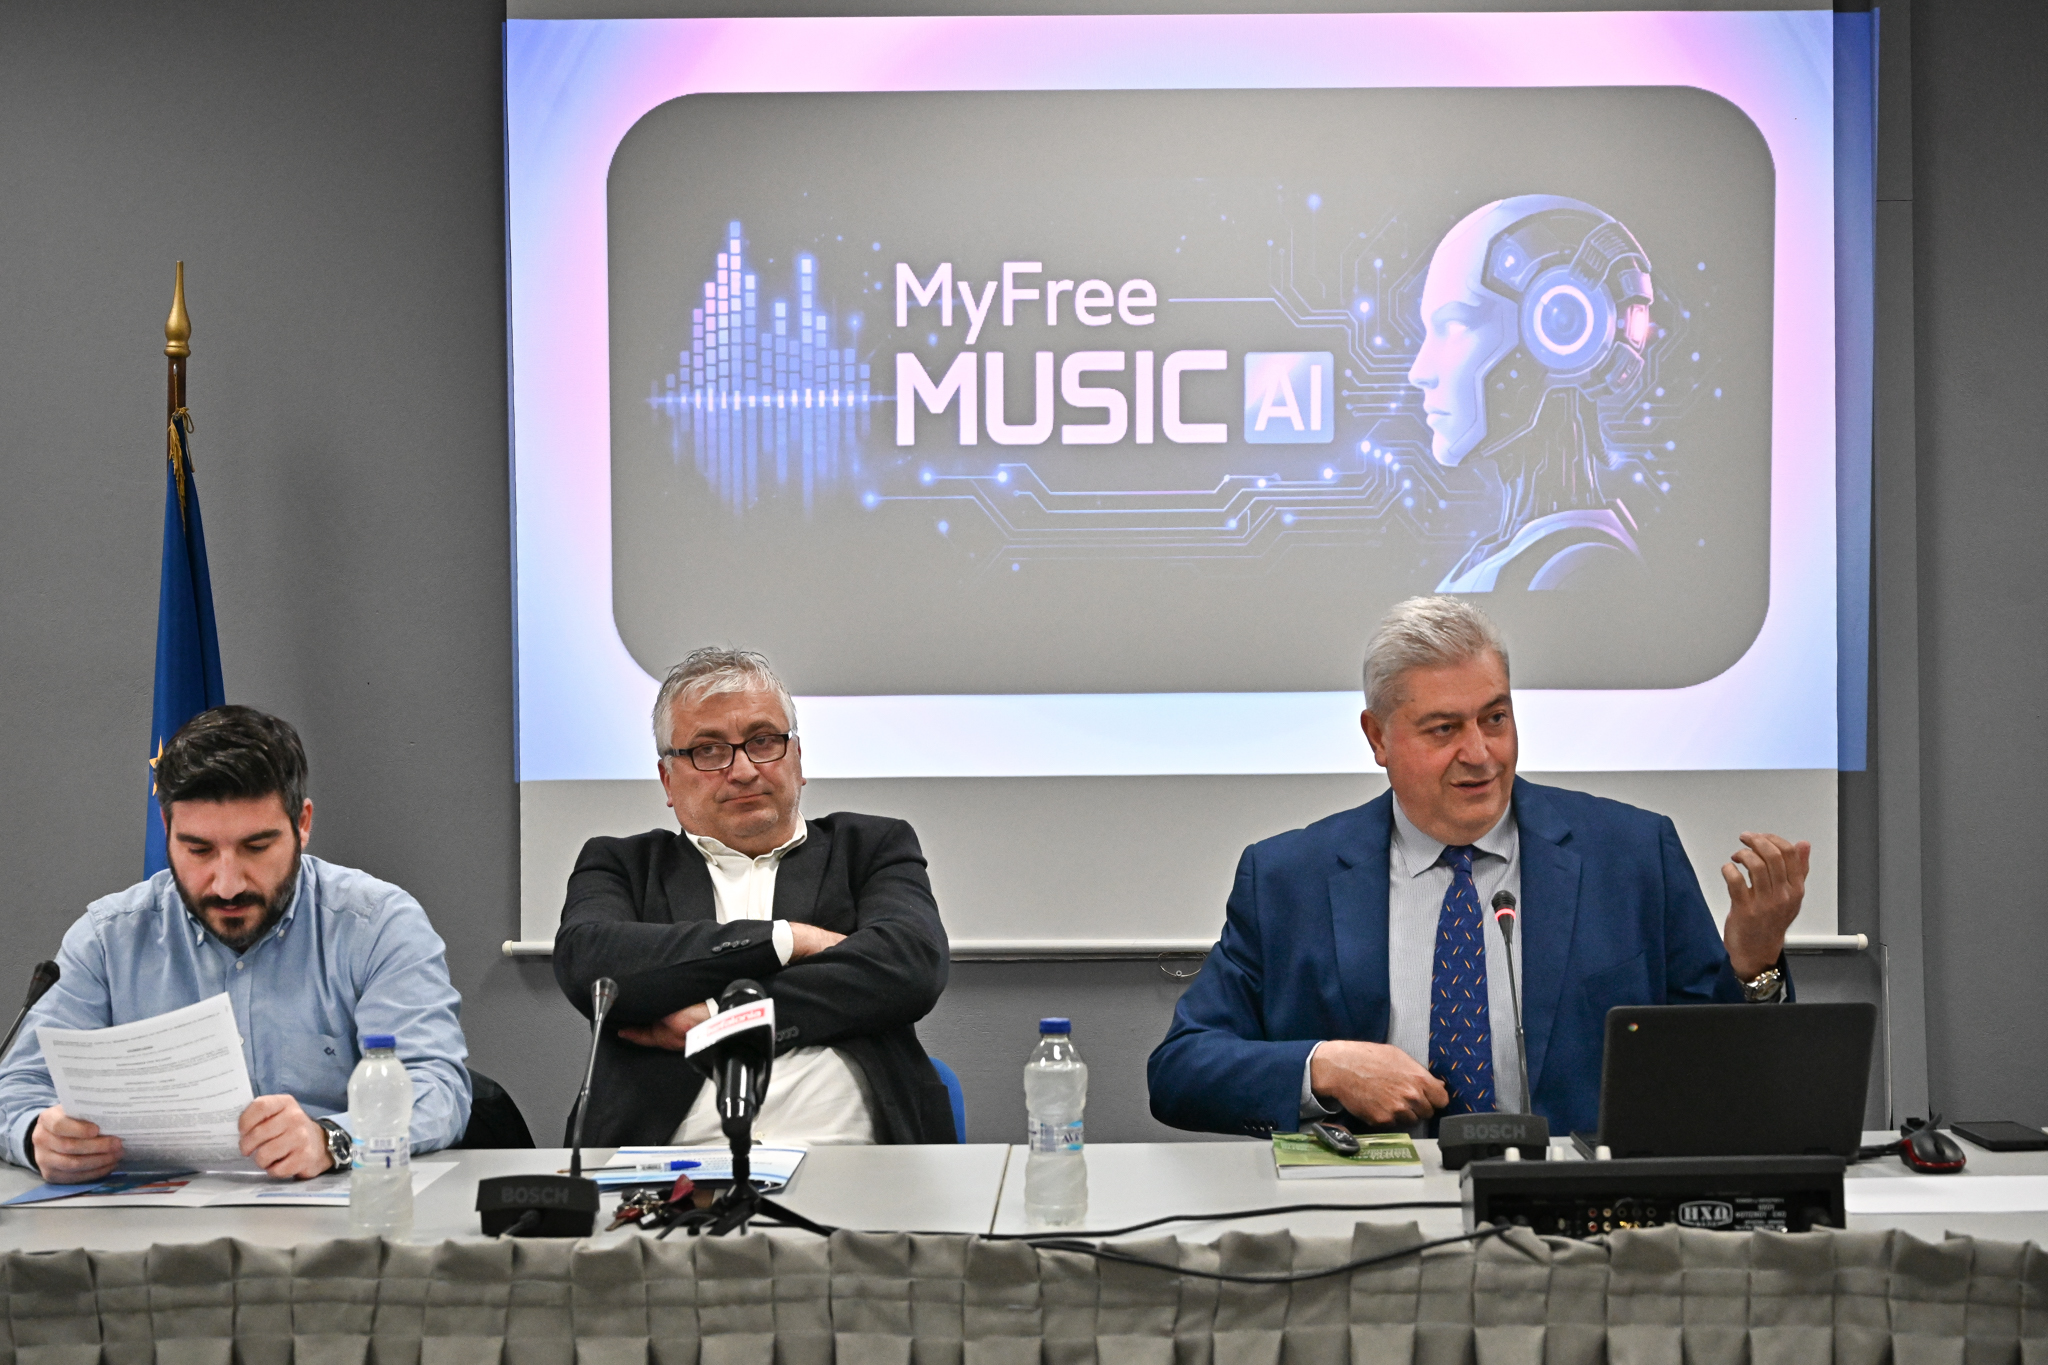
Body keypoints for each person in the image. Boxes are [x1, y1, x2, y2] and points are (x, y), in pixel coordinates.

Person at [1147, 596, 1807, 1139]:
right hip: (1366, 1218)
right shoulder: (1289, 878)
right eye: (1443, 729)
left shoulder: (1631, 854)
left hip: (1576, 1217)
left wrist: (1752, 965)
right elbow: (1180, 1069)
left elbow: (1725, 1077)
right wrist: (1324, 1067)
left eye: (1495, 718)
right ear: (1377, 737)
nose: (1481, 753)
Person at [0, 706, 471, 1182]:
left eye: (256, 847)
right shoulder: (107, 940)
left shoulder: (377, 925)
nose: (227, 885)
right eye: (199, 850)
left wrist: (333, 1139)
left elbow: (437, 1088)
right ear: (166, 830)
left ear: (302, 824)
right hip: (149, 1216)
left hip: (334, 1210)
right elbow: (18, 1086)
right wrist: (38, 1134)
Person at [552, 647, 954, 1146]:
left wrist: (722, 1019)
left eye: (763, 741)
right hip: (668, 1165)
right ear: (667, 780)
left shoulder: (870, 848)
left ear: (797, 759)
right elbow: (592, 969)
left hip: (852, 1157)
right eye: (708, 750)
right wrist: (787, 940)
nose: (743, 770)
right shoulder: (622, 865)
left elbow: (911, 966)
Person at [1407, 195, 1657, 592]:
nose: (1419, 373)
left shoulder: (1574, 571)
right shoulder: (1525, 555)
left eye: (1454, 326)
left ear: (1563, 333)